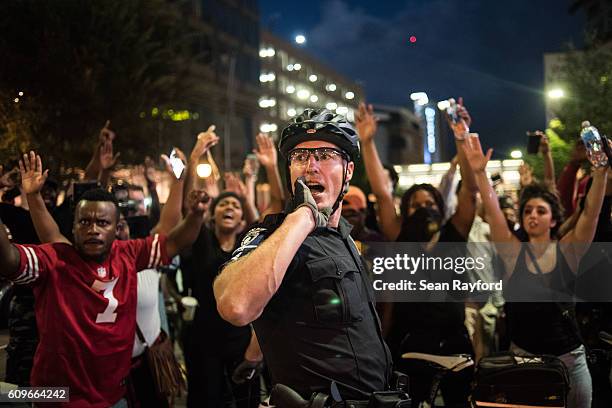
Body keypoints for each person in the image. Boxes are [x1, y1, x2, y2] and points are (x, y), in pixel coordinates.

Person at [0, 151, 209, 407]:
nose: (93, 229)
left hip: (114, 396)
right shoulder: (56, 259)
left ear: (116, 227)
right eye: (85, 222)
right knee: (13, 396)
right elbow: (9, 260)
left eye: (102, 223)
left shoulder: (129, 254)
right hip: (56, 396)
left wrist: (197, 215)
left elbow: (174, 239)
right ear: (73, 226)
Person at [214, 109, 393, 403]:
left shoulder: (345, 237)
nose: (310, 166)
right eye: (299, 157)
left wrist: (254, 357)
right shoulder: (274, 234)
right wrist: (303, 216)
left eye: (324, 155)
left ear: (348, 171)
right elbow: (236, 305)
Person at [462, 133, 609, 408]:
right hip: (523, 358)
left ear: (553, 219)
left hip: (570, 361)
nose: (532, 215)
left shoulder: (569, 250)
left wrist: (600, 172)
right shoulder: (512, 252)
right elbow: (493, 213)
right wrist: (481, 173)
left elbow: (591, 213)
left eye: (541, 211)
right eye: (527, 210)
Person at [357, 100, 478, 406]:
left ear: (440, 207)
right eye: (416, 205)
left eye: (430, 204)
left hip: (454, 344)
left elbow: (470, 191)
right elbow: (383, 193)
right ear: (405, 212)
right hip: (410, 344)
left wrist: (461, 136)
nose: (424, 210)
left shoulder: (455, 234)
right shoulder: (401, 238)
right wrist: (367, 142)